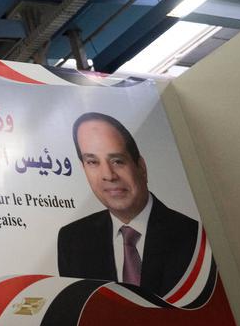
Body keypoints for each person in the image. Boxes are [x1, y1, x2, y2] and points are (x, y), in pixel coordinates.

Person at [57, 112, 198, 297]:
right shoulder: (72, 240)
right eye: (92, 162)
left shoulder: (194, 237)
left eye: (117, 161)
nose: (108, 175)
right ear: (83, 168)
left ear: (141, 167)